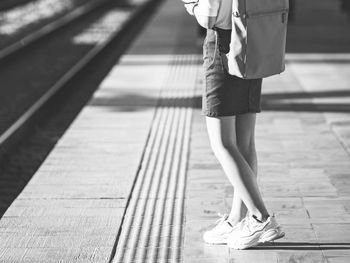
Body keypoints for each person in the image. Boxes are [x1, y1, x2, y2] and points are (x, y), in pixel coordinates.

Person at [183, 0, 285, 249]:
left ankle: (260, 217)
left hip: (223, 43)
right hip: (253, 35)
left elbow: (208, 15)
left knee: (222, 143)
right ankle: (237, 219)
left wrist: (190, 4)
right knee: (244, 140)